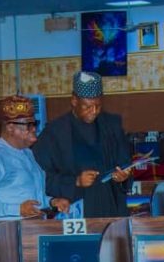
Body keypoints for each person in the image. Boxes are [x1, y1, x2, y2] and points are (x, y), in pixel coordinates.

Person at [33, 71, 131, 218]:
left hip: (111, 206)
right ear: (74, 100)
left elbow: (125, 163)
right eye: (87, 106)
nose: (94, 111)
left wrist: (124, 176)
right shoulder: (54, 133)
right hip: (75, 209)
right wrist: (76, 181)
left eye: (98, 106)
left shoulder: (112, 126)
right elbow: (40, 177)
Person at [0, 95, 70, 221]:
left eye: (35, 123)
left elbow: (28, 198)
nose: (34, 129)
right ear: (10, 128)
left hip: (31, 229)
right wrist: (17, 209)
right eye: (29, 125)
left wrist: (52, 202)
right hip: (3, 231)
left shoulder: (27, 153)